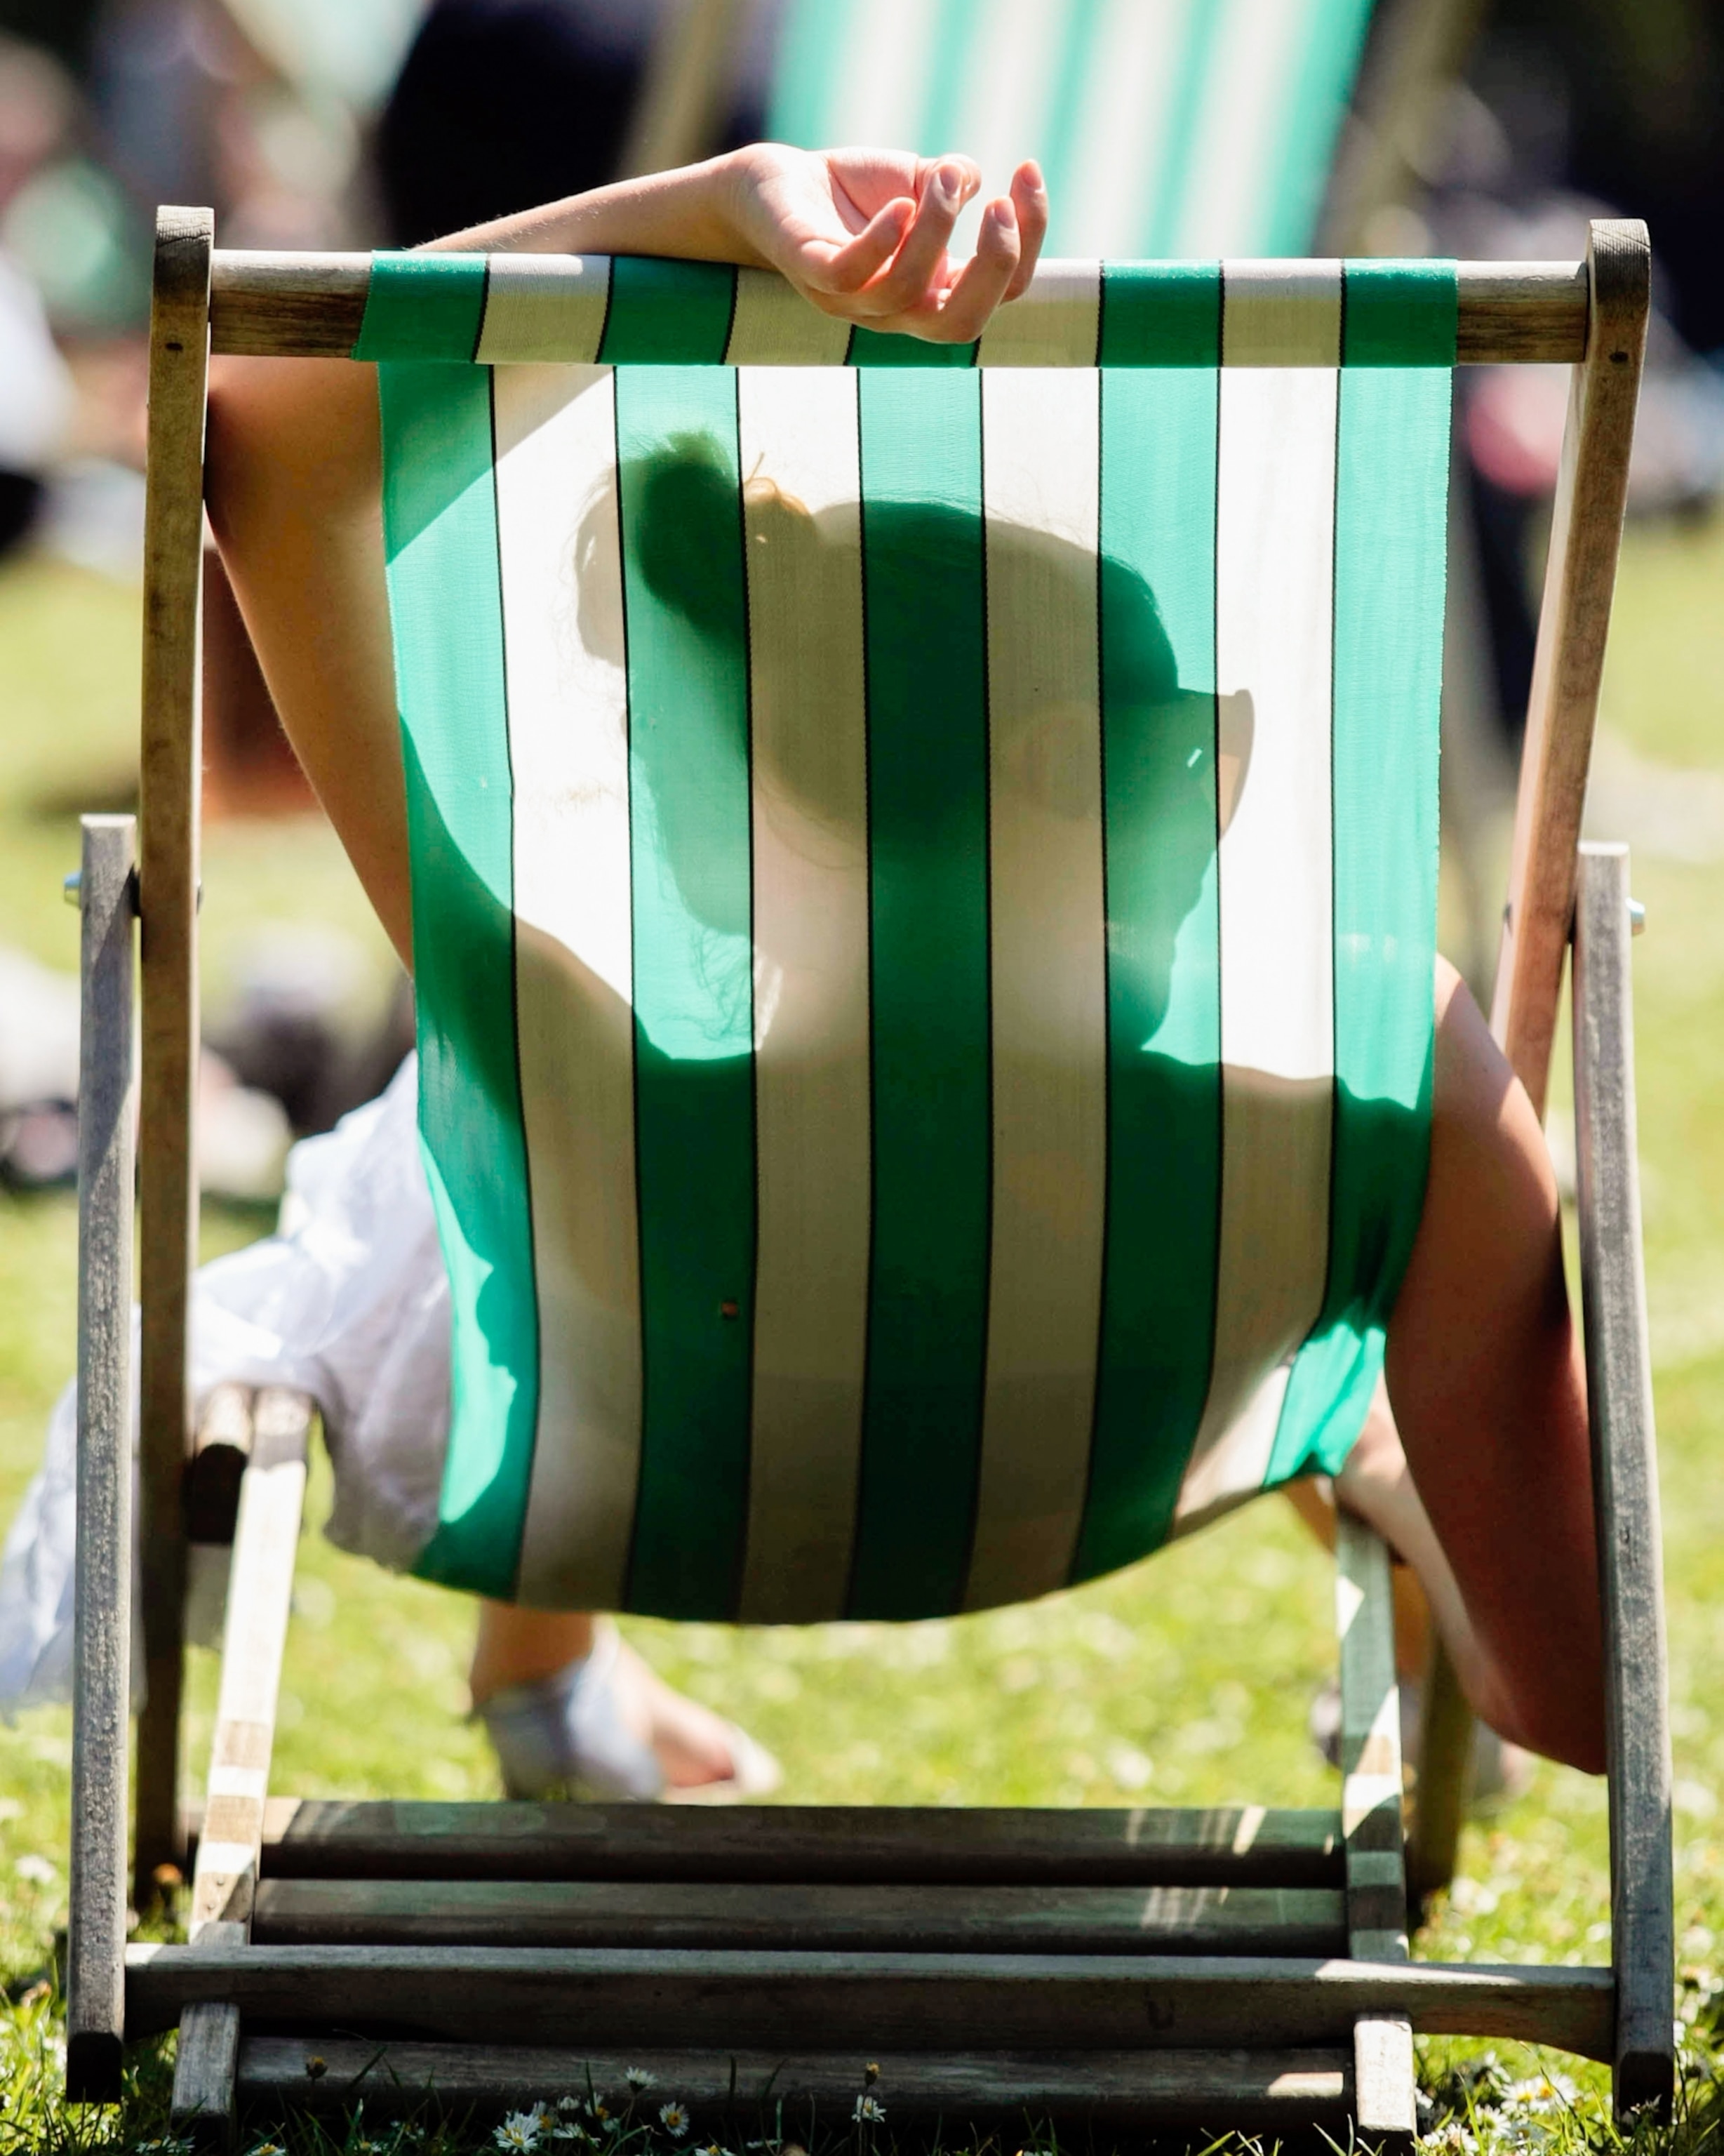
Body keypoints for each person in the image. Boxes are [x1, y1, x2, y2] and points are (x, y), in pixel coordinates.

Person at [204, 141, 1605, 1781]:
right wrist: (1411, 1471)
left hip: (646, 1500)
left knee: (461, 1224)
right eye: (1182, 761)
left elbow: (260, 442)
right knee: (1330, 1361)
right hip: (1122, 1470)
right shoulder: (1391, 1089)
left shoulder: (561, 1046)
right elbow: (1577, 1701)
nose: (1217, 812)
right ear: (1062, 776)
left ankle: (547, 1686)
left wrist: (714, 209)